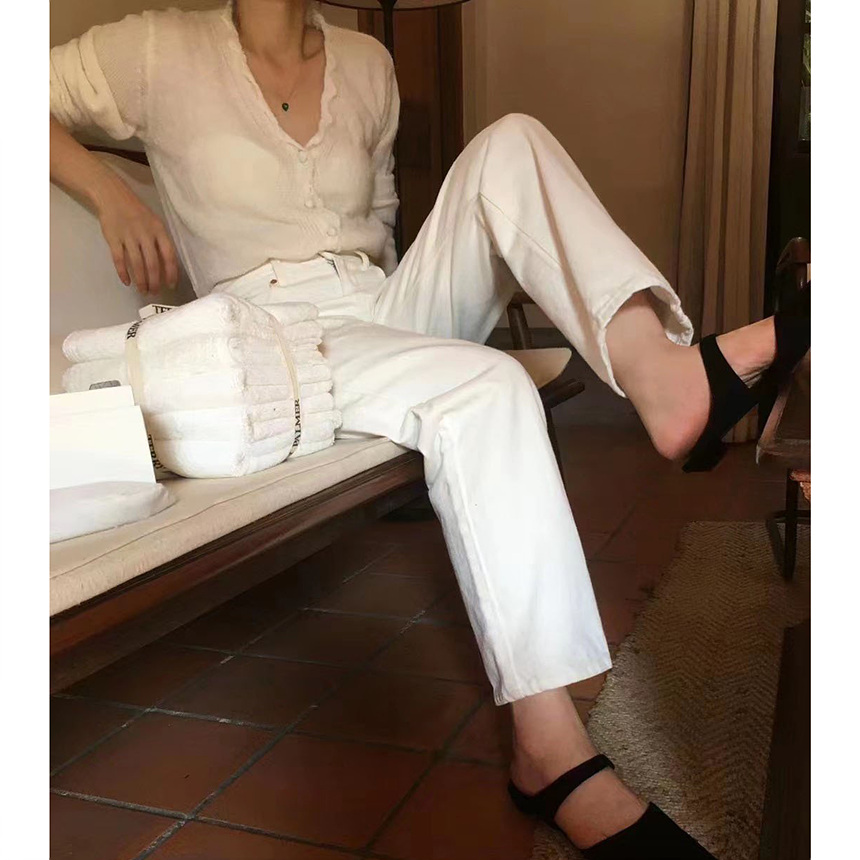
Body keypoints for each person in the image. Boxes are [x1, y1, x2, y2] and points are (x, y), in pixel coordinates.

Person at [49, 2, 807, 856]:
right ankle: (550, 752)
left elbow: (379, 232)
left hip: (378, 307)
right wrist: (109, 193)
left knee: (511, 140)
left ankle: (662, 375)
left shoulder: (367, 61)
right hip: (272, 342)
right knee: (487, 384)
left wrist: (422, 312)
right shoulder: (152, 50)